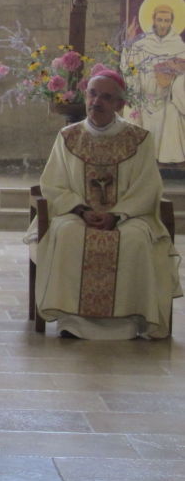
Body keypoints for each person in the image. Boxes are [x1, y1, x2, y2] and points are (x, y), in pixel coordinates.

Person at [31, 68, 181, 339]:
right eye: (92, 94)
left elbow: (148, 188)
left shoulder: (140, 140)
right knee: (67, 233)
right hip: (76, 214)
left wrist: (116, 215)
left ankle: (130, 321)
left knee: (135, 239)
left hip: (128, 217)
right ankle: (71, 320)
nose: (96, 101)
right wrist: (82, 210)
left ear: (120, 104)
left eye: (106, 97)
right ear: (85, 95)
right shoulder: (68, 137)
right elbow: (53, 184)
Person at [122, 3, 185, 163]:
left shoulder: (180, 46)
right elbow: (127, 69)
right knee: (131, 110)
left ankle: (169, 162)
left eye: (167, 20)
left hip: (168, 99)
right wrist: (128, 44)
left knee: (173, 112)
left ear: (172, 22)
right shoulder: (141, 44)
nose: (163, 24)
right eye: (160, 20)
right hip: (145, 98)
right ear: (153, 20)